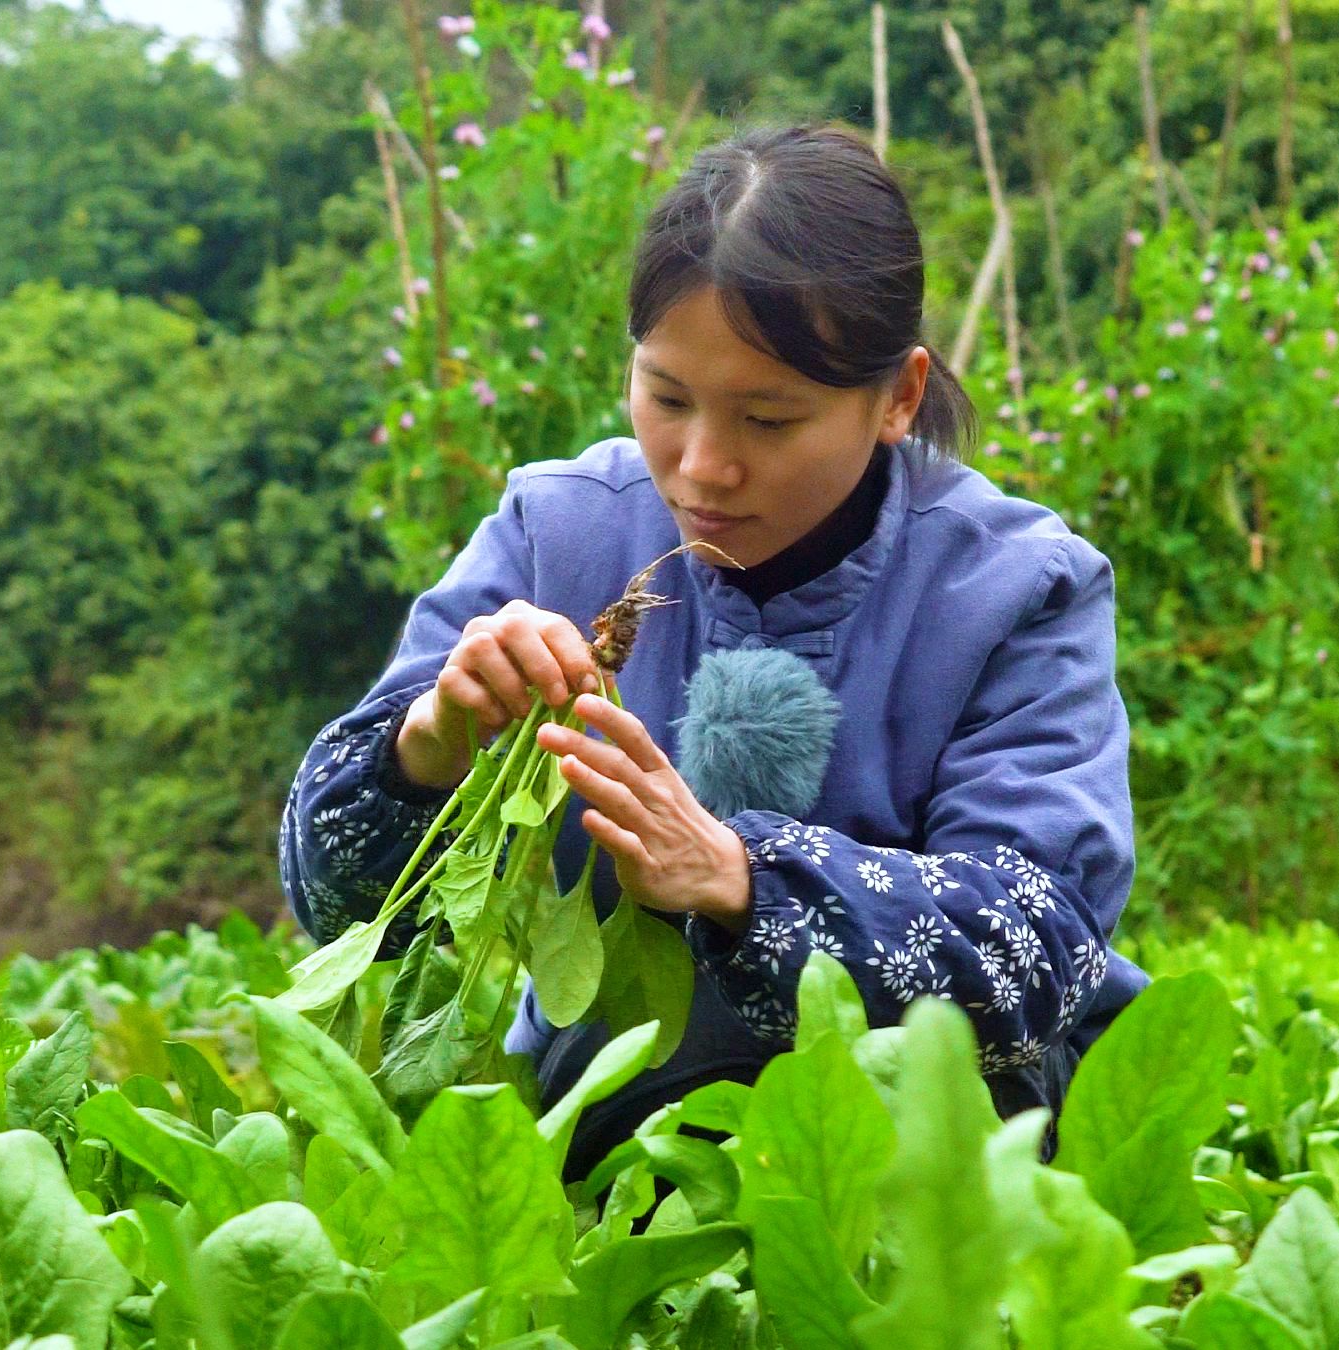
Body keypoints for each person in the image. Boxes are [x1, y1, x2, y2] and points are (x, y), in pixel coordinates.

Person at [279, 123, 1149, 1178]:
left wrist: (739, 879)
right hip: (603, 1132)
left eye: (769, 420)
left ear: (901, 397)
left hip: (949, 1159)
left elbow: (1039, 948)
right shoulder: (560, 532)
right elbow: (333, 906)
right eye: (667, 398)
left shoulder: (1015, 585)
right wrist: (428, 745)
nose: (702, 468)